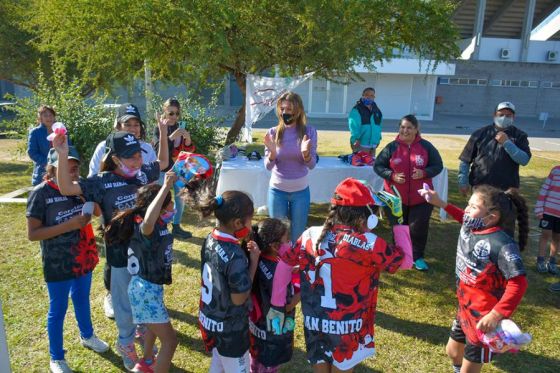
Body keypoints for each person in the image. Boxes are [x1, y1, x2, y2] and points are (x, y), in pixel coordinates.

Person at [52, 125, 169, 371]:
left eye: (139, 155)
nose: (138, 161)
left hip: (146, 255)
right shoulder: (101, 183)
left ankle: (145, 336)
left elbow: (163, 162)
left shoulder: (141, 174)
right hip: (119, 256)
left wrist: (162, 130)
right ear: (115, 158)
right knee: (124, 305)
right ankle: (126, 343)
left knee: (146, 300)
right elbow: (66, 188)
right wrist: (62, 154)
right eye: (131, 157)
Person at [266, 178, 412, 372]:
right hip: (348, 326)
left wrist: (276, 304)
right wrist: (398, 222)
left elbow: (285, 263)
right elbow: (407, 261)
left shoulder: (310, 234)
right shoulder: (370, 242)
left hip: (315, 322)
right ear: (364, 217)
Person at [418, 185, 528, 373]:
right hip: (465, 310)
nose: (467, 210)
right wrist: (440, 203)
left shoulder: (501, 244)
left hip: (484, 319)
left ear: (492, 217)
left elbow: (519, 283)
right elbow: (462, 216)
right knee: (452, 352)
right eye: (468, 204)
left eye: (473, 207)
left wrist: (495, 315)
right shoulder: (472, 224)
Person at [26, 146, 109, 373]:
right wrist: (69, 225)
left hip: (84, 256)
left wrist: (94, 204)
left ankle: (87, 335)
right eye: (67, 167)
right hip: (57, 262)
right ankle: (56, 357)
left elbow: (98, 213)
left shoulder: (80, 187)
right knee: (58, 309)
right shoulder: (40, 193)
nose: (73, 171)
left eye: (75, 167)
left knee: (82, 299)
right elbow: (33, 234)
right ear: (52, 167)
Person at [88, 102, 157, 320]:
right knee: (115, 258)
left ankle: (136, 295)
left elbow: (154, 172)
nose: (133, 128)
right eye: (128, 123)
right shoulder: (104, 147)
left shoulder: (146, 148)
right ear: (118, 125)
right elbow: (94, 179)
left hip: (138, 213)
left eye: (137, 124)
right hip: (112, 212)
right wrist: (101, 211)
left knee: (136, 255)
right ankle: (112, 294)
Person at [104, 175, 179, 373]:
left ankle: (145, 362)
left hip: (150, 288)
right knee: (170, 342)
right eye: (170, 203)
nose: (173, 206)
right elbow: (148, 221)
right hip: (145, 291)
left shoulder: (160, 224)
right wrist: (165, 188)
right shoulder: (147, 228)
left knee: (152, 329)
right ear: (161, 207)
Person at [184, 186, 260, 373]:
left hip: (210, 318)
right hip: (230, 328)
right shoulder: (235, 256)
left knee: (219, 360)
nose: (251, 225)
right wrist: (254, 262)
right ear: (237, 223)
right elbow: (239, 298)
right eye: (250, 220)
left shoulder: (210, 238)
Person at [374, 114, 443, 271]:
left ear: (416, 129)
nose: (405, 131)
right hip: (395, 198)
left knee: (417, 227)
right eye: (402, 127)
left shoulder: (426, 147)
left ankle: (417, 257)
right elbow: (378, 166)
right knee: (398, 227)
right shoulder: (391, 147)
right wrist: (392, 175)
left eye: (409, 128)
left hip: (421, 198)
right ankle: (399, 255)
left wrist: (424, 173)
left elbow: (438, 165)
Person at [263, 91, 318, 243]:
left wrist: (306, 154)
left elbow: (312, 165)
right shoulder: (273, 132)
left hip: (300, 192)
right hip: (277, 191)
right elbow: (267, 166)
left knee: (297, 235)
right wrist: (273, 153)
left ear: (298, 110)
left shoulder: (309, 132)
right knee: (277, 235)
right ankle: (279, 265)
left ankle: (295, 265)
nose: (285, 113)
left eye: (289, 109)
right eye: (282, 109)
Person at [248, 218, 300, 373]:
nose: (290, 242)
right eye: (287, 239)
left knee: (256, 360)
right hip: (273, 334)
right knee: (269, 366)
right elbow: (286, 305)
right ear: (275, 245)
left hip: (257, 328)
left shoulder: (259, 259)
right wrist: (305, 287)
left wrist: (290, 270)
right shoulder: (277, 270)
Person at [458, 101, 531, 195]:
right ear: (494, 115)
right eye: (501, 114)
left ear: (513, 117)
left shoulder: (520, 136)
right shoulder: (480, 134)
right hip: (480, 187)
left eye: (508, 115)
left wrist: (507, 143)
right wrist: (463, 182)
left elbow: (524, 160)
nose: (504, 118)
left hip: (507, 190)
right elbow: (465, 160)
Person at [153, 98, 195, 240]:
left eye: (177, 114)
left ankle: (176, 226)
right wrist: (170, 137)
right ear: (165, 111)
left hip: (178, 169)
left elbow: (187, 150)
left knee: (180, 199)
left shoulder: (180, 126)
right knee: (160, 198)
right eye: (171, 113)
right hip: (162, 171)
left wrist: (188, 139)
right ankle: (157, 225)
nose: (174, 117)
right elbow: (158, 149)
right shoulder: (159, 127)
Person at [535, 165, 560, 275]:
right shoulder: (555, 171)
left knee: (557, 237)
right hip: (548, 211)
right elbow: (544, 190)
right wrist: (539, 209)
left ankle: (552, 261)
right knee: (545, 234)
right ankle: (540, 260)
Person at [28, 105, 58, 186]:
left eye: (51, 115)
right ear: (40, 118)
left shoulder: (60, 130)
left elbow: (68, 148)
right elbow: (32, 153)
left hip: (60, 172)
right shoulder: (35, 132)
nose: (49, 118)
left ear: (54, 117)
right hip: (42, 174)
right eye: (45, 115)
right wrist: (49, 164)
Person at [348, 87, 382, 156]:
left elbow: (379, 126)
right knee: (360, 165)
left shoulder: (377, 110)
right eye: (367, 95)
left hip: (373, 146)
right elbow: (354, 126)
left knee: (370, 166)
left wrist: (378, 138)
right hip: (361, 144)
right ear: (362, 95)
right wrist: (355, 139)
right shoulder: (356, 109)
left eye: (371, 95)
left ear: (374, 97)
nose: (369, 97)